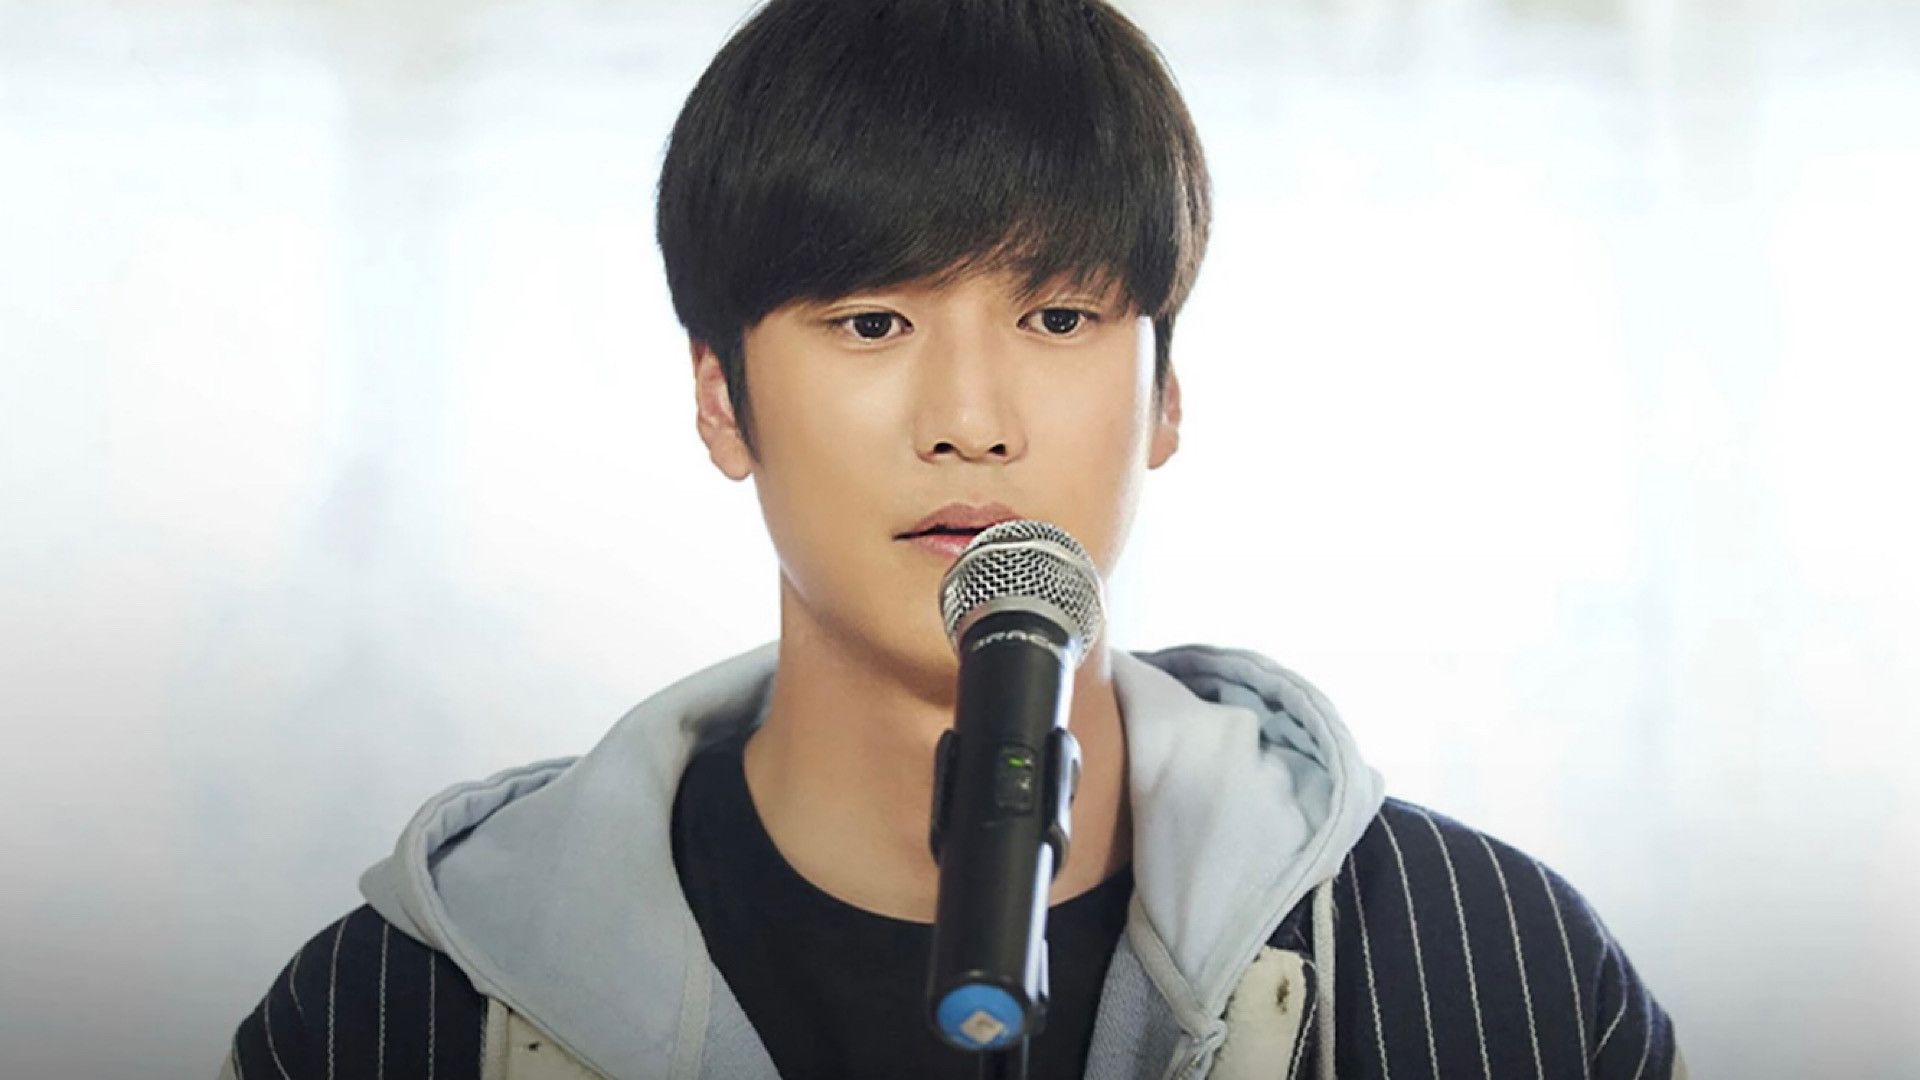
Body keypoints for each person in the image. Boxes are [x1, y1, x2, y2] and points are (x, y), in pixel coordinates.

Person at [222, 1, 1684, 1077]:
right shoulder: (386, 1018)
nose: (972, 422)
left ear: (1166, 395)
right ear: (722, 400)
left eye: (1058, 317)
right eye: (873, 322)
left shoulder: (1499, 969)